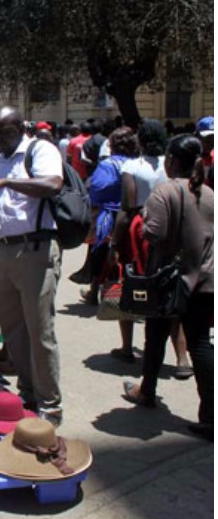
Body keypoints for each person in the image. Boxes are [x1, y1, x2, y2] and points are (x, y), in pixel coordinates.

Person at [122, 134, 213, 441]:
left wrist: (145, 219)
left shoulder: (165, 192)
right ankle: (210, 415)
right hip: (206, 280)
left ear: (172, 160)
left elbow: (154, 234)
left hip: (169, 281)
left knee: (155, 336)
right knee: (201, 343)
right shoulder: (210, 194)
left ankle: (147, 391)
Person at [0, 106, 65, 427]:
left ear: (20, 127)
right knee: (13, 331)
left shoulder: (38, 150)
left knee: (39, 331)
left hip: (36, 250)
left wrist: (8, 183)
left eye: (5, 132)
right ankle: (28, 391)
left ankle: (50, 405)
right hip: (3, 252)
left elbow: (52, 184)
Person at [109, 119, 190, 372]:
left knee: (132, 284)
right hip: (172, 230)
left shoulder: (132, 166)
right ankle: (181, 359)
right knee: (172, 287)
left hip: (139, 231)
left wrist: (113, 242)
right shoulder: (172, 167)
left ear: (140, 140)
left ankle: (126, 347)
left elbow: (127, 205)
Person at [86, 127, 138, 355]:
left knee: (110, 266)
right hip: (140, 222)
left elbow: (96, 190)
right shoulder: (140, 163)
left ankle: (100, 294)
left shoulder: (108, 165)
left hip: (113, 221)